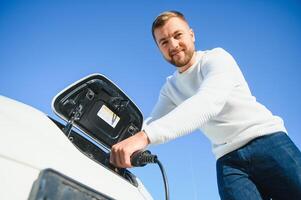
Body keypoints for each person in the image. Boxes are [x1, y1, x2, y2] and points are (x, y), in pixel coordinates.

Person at [110, 11, 301, 199]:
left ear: (192, 35)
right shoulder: (170, 88)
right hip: (229, 162)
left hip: (267, 141)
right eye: (164, 42)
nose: (173, 45)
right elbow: (152, 123)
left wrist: (144, 137)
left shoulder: (217, 58)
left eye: (178, 35)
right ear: (159, 49)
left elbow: (208, 102)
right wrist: (117, 144)